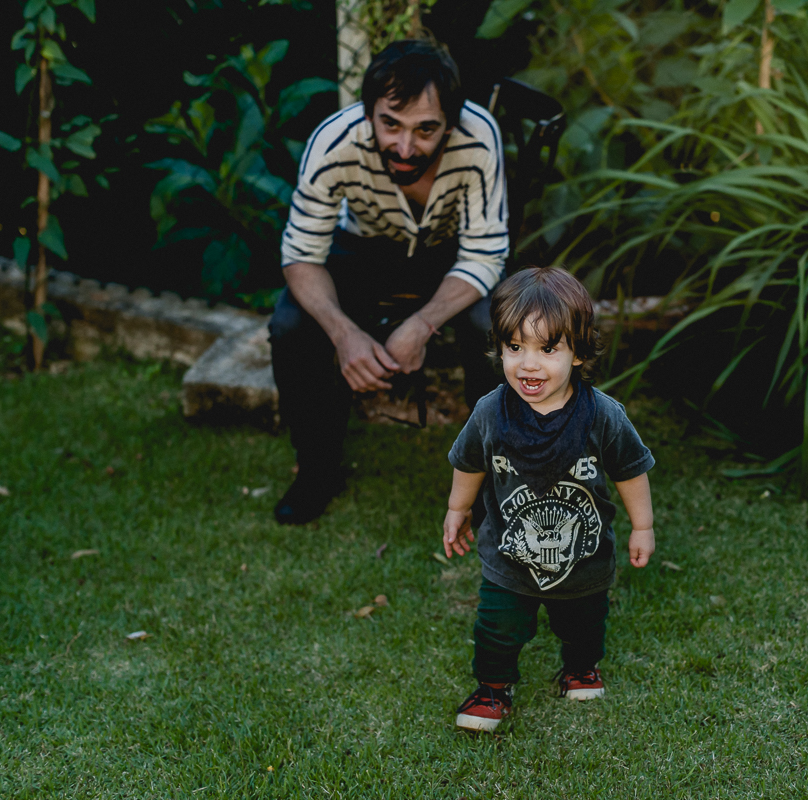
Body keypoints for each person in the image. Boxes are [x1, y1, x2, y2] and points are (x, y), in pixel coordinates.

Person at [269, 40, 507, 525]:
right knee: (291, 324)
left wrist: (420, 326)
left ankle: (493, 475)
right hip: (362, 250)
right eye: (390, 124)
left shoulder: (479, 137)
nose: (404, 146)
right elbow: (300, 255)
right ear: (368, 112)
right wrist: (343, 333)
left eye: (425, 130)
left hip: (451, 255)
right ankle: (317, 467)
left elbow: (485, 254)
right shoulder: (333, 142)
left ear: (452, 120)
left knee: (494, 324)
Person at [442, 267, 656, 733]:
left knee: (584, 623)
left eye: (547, 348)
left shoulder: (602, 415)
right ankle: (493, 689)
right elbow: (469, 461)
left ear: (578, 352)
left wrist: (643, 526)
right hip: (508, 556)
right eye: (514, 347)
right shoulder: (489, 412)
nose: (529, 364)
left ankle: (580, 667)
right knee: (496, 628)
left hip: (584, 557)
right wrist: (458, 509)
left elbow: (631, 470)